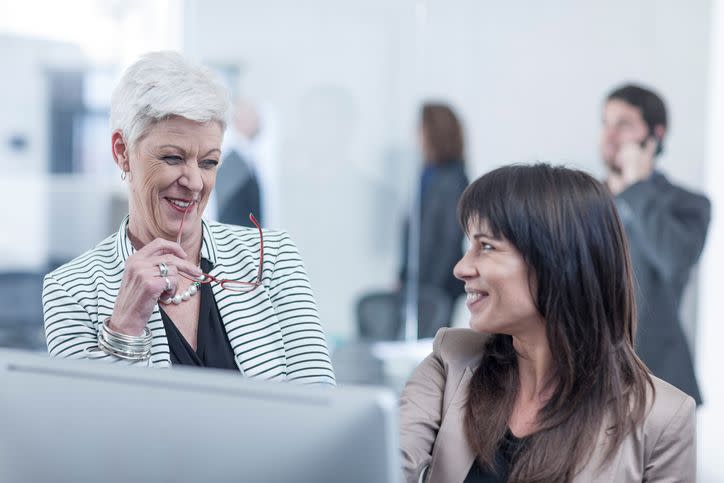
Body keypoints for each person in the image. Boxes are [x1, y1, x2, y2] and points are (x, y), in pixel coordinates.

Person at [42, 51, 335, 386]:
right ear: (122, 152)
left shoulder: (271, 256)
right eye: (172, 157)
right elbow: (84, 431)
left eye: (209, 162)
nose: (194, 182)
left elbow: (319, 408)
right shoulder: (71, 289)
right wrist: (125, 326)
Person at [400, 164, 695, 482]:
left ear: (556, 261)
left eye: (486, 246)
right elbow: (385, 464)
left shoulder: (662, 419)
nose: (461, 268)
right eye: (468, 246)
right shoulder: (450, 361)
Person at [601, 83, 710, 405]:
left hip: (660, 379)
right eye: (605, 123)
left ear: (655, 135)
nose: (609, 136)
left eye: (623, 125)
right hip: (592, 376)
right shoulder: (583, 200)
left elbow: (675, 259)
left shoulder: (688, 204)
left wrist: (636, 187)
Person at [399, 102, 469, 336]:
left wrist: (430, 290)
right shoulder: (426, 173)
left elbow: (449, 241)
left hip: (436, 286)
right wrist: (403, 276)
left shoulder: (452, 178)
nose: (416, 136)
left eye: (420, 128)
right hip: (417, 283)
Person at [214, 97, 264, 228]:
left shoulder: (248, 160)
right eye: (253, 116)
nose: (259, 120)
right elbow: (227, 209)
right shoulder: (233, 162)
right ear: (240, 121)